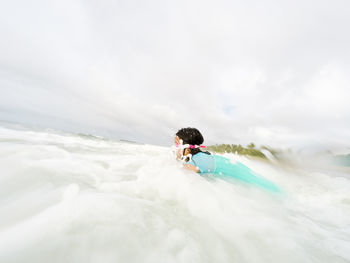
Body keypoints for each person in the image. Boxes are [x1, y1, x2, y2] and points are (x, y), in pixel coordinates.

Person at [173, 127, 280, 192]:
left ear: (187, 148)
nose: (174, 147)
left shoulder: (199, 161)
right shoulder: (200, 157)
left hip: (259, 185)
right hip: (248, 174)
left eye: (177, 143)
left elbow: (180, 175)